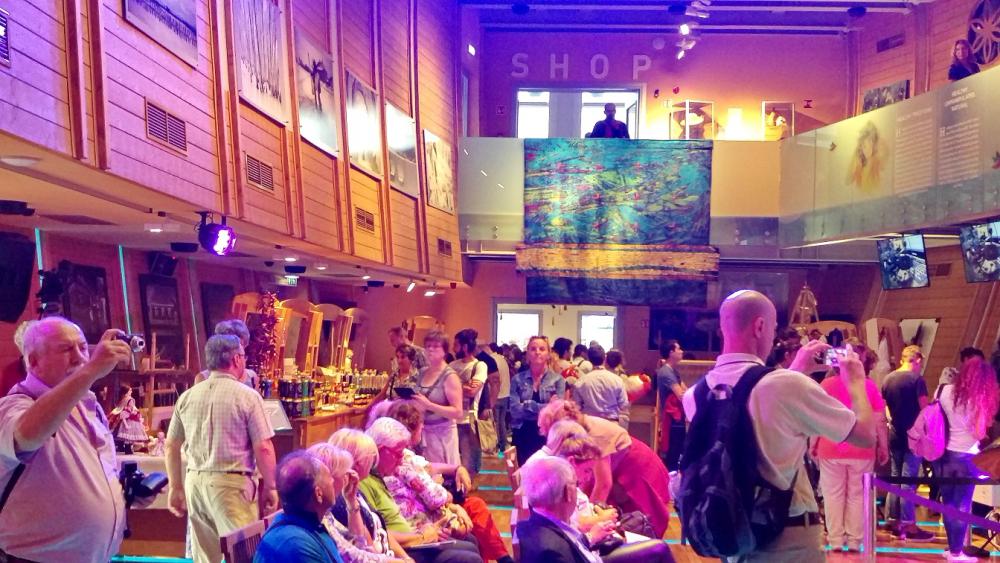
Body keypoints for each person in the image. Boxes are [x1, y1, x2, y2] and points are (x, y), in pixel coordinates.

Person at [681, 290, 877, 561]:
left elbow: (752, 409)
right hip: (787, 536)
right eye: (773, 329)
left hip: (735, 532)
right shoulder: (787, 386)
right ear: (760, 326)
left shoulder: (695, 395)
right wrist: (856, 383)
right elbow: (865, 435)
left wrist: (794, 370)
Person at [0, 317, 132, 562]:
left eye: (82, 347)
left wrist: (121, 492)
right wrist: (92, 371)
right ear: (33, 361)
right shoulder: (14, 405)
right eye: (66, 349)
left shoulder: (87, 404)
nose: (79, 358)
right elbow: (27, 436)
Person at [166, 334, 279, 563]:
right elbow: (264, 447)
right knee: (243, 556)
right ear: (236, 359)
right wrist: (271, 486)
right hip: (231, 485)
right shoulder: (248, 397)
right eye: (243, 356)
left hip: (195, 483)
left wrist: (175, 487)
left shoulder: (187, 396)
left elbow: (171, 445)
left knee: (205, 559)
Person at [388, 400, 511, 563]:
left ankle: (503, 558)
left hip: (430, 510)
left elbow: (429, 468)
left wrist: (457, 468)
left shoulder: (404, 454)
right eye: (421, 424)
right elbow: (434, 498)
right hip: (424, 519)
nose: (423, 427)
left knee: (474, 510)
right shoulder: (403, 457)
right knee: (474, 511)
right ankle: (503, 559)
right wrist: (450, 500)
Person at [538, 399, 671, 538]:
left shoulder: (594, 435)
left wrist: (592, 519)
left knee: (646, 520)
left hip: (639, 467)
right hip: (620, 469)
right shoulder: (579, 429)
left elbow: (603, 485)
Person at [356, 421, 482, 563]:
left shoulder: (382, 474)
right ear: (381, 450)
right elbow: (378, 534)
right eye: (398, 454)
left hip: (416, 538)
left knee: (471, 541)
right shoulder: (364, 482)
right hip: (405, 549)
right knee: (469, 556)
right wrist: (420, 538)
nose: (401, 460)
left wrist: (430, 530)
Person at [548, 430, 676, 563]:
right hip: (588, 552)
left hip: (596, 541)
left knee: (647, 537)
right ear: (572, 461)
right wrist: (598, 524)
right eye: (587, 471)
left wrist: (602, 515)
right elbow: (572, 529)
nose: (588, 477)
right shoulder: (561, 492)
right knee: (659, 548)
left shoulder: (571, 485)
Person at [812, 346, 889, 553]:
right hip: (862, 449)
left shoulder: (826, 385)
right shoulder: (869, 386)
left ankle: (836, 539)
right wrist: (883, 446)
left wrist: (813, 443)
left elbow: (818, 417)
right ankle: (855, 540)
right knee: (857, 495)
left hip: (830, 446)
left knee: (832, 494)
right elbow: (879, 420)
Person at [933, 357, 999, 562]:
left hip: (942, 454)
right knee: (962, 506)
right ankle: (956, 552)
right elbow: (979, 434)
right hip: (967, 457)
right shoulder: (978, 400)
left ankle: (952, 548)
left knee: (948, 504)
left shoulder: (943, 391)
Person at [308, 442, 409, 563]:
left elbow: (358, 544)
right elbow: (353, 554)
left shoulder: (327, 513)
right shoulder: (329, 509)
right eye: (344, 473)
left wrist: (352, 502)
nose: (347, 478)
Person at [881, 344, 935, 541]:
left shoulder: (888, 379)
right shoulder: (917, 380)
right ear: (917, 360)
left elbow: (884, 407)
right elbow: (924, 409)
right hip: (914, 437)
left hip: (895, 434)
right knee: (909, 481)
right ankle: (909, 524)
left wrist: (892, 422)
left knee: (895, 478)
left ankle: (892, 521)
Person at [254, 451, 344, 563]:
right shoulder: (295, 545)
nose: (333, 481)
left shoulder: (302, 525)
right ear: (318, 494)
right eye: (329, 477)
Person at [510, 336, 566, 462]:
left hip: (547, 436)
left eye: (542, 349)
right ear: (527, 354)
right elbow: (515, 411)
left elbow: (557, 412)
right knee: (523, 472)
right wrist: (546, 407)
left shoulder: (558, 380)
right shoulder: (517, 380)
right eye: (533, 349)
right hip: (522, 435)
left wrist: (527, 405)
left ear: (548, 354)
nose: (537, 352)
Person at [411, 331, 464, 465]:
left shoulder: (450, 376)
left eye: (435, 346)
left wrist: (429, 405)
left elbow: (458, 412)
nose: (430, 349)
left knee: (442, 473)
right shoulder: (422, 372)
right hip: (423, 431)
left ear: (444, 350)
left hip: (442, 435)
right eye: (427, 346)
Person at [450, 329, 487, 475]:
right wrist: (464, 385)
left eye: (456, 345)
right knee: (452, 465)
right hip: (450, 420)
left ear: (465, 347)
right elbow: (444, 388)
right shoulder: (452, 365)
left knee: (469, 465)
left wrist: (454, 386)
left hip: (468, 420)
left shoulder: (479, 366)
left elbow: (472, 391)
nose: (453, 348)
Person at [572, 345, 629, 429]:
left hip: (589, 426)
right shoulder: (617, 380)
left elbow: (577, 407)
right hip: (612, 425)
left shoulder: (580, 382)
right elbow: (624, 405)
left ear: (589, 359)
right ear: (605, 358)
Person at [194, 320, 258, 388]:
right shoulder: (203, 378)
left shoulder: (251, 377)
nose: (237, 348)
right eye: (230, 344)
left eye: (240, 345)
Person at [656, 340, 686, 471]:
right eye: (678, 349)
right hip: (673, 418)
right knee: (673, 455)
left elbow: (685, 390)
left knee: (677, 452)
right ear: (671, 352)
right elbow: (681, 395)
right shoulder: (666, 372)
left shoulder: (673, 371)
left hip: (677, 417)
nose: (681, 351)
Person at [487, 343, 512, 451]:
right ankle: (503, 444)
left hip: (497, 395)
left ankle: (497, 446)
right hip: (505, 394)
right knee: (502, 421)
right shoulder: (503, 359)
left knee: (495, 423)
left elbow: (495, 380)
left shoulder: (491, 360)